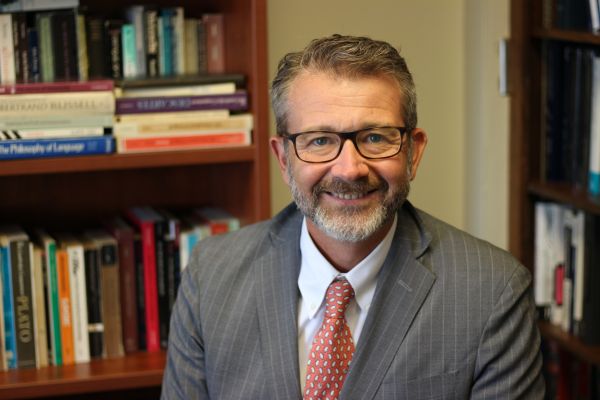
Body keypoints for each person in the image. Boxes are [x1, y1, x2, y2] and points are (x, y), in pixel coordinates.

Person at [161, 34, 544, 399]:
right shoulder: (210, 278)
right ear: (283, 159)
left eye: (375, 138)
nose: (349, 170)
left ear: (413, 153)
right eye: (320, 140)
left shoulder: (493, 292)